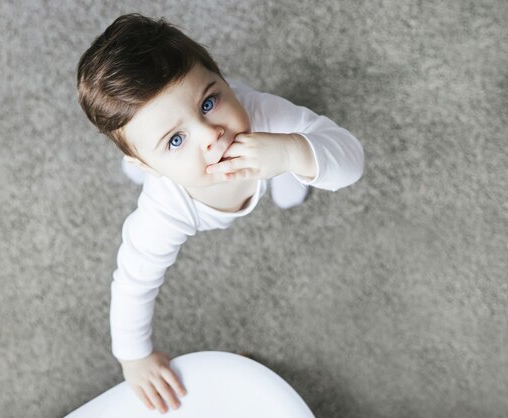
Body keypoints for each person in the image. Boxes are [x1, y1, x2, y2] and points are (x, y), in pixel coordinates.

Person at [76, 13, 364, 414]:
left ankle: (270, 162)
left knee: (297, 168)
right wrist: (134, 356)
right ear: (153, 168)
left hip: (269, 147)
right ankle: (144, 154)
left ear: (223, 80)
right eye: (176, 139)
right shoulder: (164, 210)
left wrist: (290, 151)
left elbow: (350, 160)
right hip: (176, 188)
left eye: (209, 102)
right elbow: (133, 281)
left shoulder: (263, 116)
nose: (212, 135)